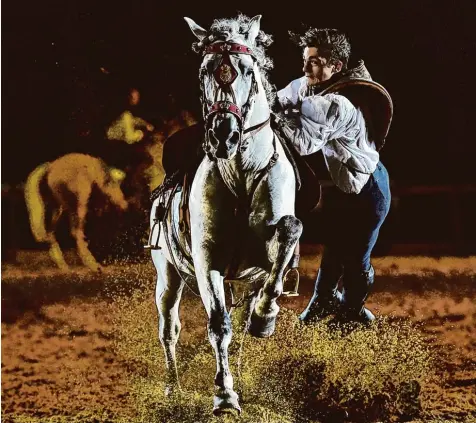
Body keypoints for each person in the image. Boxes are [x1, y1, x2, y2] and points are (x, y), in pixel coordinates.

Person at [274, 27, 393, 324]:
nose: (305, 68)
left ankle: (353, 313)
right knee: (335, 248)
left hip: (371, 192)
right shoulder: (308, 83)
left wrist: (279, 115)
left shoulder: (339, 104)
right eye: (305, 60)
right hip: (347, 188)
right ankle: (324, 300)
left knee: (355, 260)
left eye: (313, 62)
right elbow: (279, 98)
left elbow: (302, 144)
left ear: (336, 67)